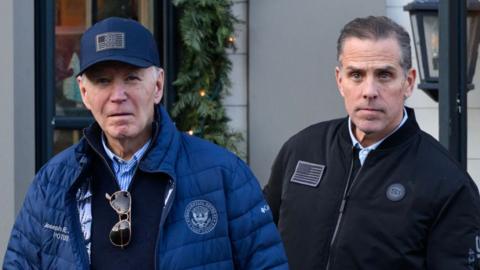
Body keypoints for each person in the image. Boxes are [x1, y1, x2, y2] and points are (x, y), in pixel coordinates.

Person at [4, 17, 288, 270]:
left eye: (131, 78)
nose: (118, 95)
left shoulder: (225, 175)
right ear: (84, 92)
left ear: (158, 85)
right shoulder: (53, 182)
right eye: (103, 81)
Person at [263, 15, 480, 270]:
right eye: (356, 74)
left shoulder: (447, 182)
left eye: (384, 75)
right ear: (339, 80)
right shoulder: (301, 150)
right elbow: (259, 243)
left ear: (408, 82)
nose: (369, 91)